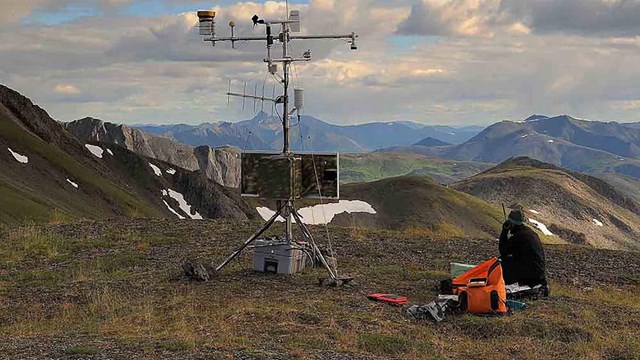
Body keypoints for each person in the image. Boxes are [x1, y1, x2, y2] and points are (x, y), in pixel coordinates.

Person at [499, 206, 549, 295]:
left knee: (502, 263)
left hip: (530, 273)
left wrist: (504, 231)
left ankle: (519, 285)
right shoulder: (529, 233)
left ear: (512, 224)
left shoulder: (519, 236)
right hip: (539, 273)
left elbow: (503, 251)